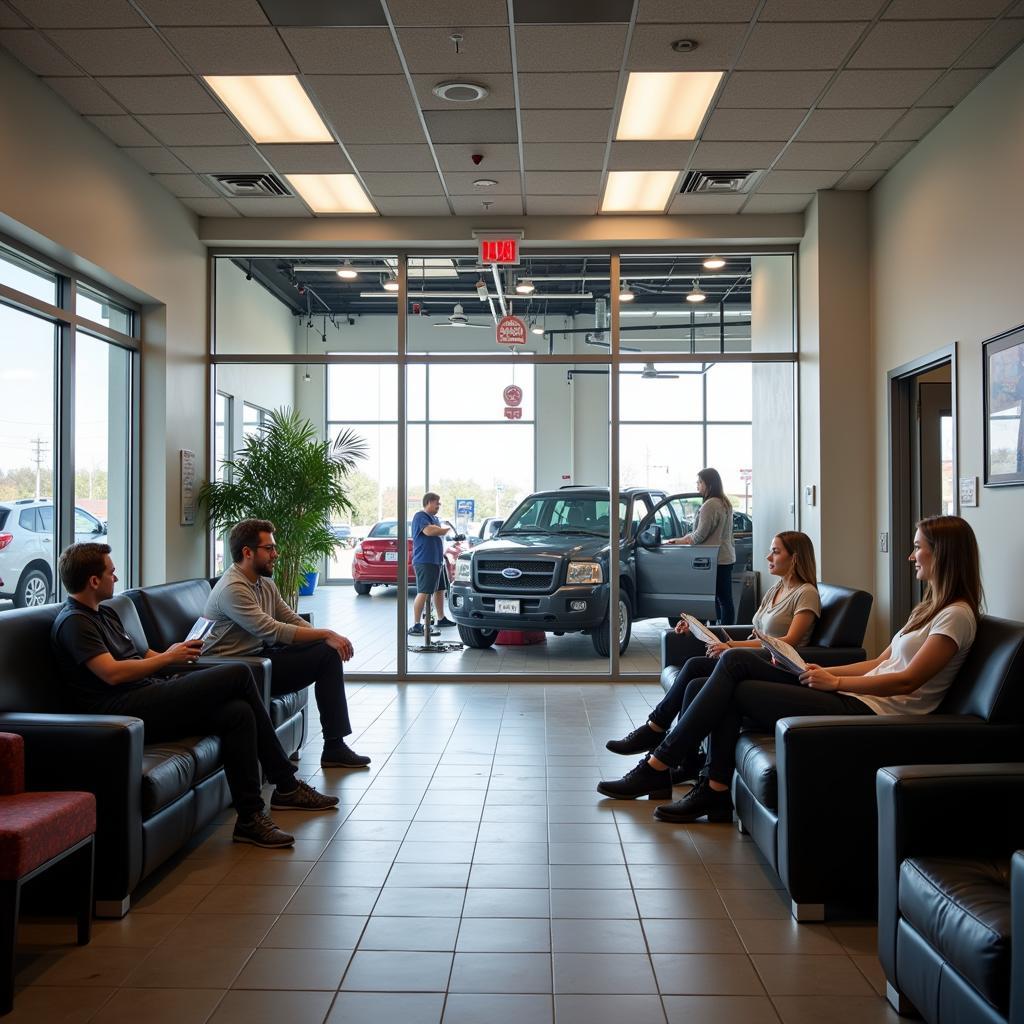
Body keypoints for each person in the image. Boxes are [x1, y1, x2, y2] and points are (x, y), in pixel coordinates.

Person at [597, 515, 981, 824]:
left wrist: (837, 681)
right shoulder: (926, 610)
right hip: (854, 694)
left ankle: (665, 766)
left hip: (872, 710)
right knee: (725, 666)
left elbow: (911, 678)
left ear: (943, 554)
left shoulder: (957, 617)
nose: (911, 556)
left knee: (725, 675)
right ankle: (707, 788)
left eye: (918, 548)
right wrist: (823, 672)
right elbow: (883, 661)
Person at [50, 543, 338, 850]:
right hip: (122, 711)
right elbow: (112, 673)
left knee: (237, 713)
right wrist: (165, 661)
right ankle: (286, 783)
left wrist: (175, 655)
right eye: (111, 572)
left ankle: (250, 818)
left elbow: (140, 653)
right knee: (239, 673)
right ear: (94, 581)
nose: (116, 578)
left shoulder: (104, 613)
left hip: (148, 693)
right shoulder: (74, 623)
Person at [606, 532, 821, 781]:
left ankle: (655, 731)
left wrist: (732, 649)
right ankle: (681, 757)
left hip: (778, 667)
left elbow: (789, 643)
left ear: (795, 558)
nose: (768, 556)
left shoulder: (806, 594)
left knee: (697, 666)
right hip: (757, 659)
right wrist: (706, 633)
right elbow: (756, 636)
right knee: (695, 675)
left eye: (776, 551)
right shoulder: (777, 588)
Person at [202, 518, 370, 769]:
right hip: (236, 669)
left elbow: (288, 617)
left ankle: (334, 746)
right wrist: (326, 634)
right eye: (268, 549)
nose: (275, 554)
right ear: (247, 552)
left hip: (261, 657)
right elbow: (272, 629)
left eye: (274, 548)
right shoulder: (233, 588)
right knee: (326, 650)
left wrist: (325, 638)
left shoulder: (264, 582)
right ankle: (333, 747)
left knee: (327, 652)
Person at [666, 467, 736, 625]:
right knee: (724, 599)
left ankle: (720, 636)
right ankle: (723, 633)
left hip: (714, 559)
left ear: (709, 484)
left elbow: (699, 536)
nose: (697, 485)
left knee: (720, 600)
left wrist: (678, 541)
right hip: (726, 556)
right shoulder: (725, 503)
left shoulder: (710, 505)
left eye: (700, 482)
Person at [408, 492, 460, 636]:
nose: (439, 505)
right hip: (425, 560)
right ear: (429, 502)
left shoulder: (435, 518)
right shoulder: (421, 516)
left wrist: (451, 537)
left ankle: (441, 618)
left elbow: (437, 535)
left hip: (437, 561)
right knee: (424, 592)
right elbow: (429, 531)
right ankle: (417, 625)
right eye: (437, 502)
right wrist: (446, 530)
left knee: (440, 589)